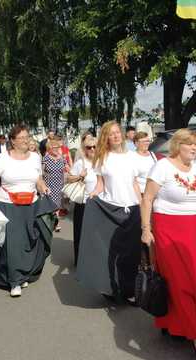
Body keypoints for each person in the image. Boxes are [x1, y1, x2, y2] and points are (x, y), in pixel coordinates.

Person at [140, 128, 196, 359]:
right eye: (189, 143)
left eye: (195, 144)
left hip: (190, 232)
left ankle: (171, 323)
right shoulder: (163, 166)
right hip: (167, 229)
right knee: (182, 284)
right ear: (177, 145)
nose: (194, 147)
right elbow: (147, 198)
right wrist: (146, 229)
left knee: (187, 282)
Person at [0, 125, 56, 297]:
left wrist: (44, 188)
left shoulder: (35, 158)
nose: (26, 140)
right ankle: (14, 281)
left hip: (31, 204)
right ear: (13, 141)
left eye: (27, 136)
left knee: (30, 241)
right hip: (8, 204)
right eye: (21, 137)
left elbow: (38, 179)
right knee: (13, 243)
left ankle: (23, 273)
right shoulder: (4, 158)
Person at [76, 120, 142, 303]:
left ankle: (130, 290)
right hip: (110, 209)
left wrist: (143, 206)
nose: (115, 136)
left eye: (117, 132)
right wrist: (92, 196)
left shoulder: (132, 157)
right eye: (111, 134)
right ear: (106, 137)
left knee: (131, 253)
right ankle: (111, 288)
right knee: (110, 252)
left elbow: (135, 184)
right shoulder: (102, 158)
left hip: (133, 209)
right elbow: (100, 185)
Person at [67, 135, 98, 266]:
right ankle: (80, 260)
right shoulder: (81, 163)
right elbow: (69, 178)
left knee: (97, 234)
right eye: (88, 147)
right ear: (84, 149)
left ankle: (95, 258)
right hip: (84, 203)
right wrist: (80, 176)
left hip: (100, 203)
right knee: (80, 232)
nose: (92, 149)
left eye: (94, 147)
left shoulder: (102, 161)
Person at [42, 135, 68, 232]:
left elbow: (67, 168)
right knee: (50, 206)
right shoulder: (46, 158)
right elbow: (42, 172)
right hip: (49, 185)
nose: (57, 149)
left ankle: (56, 224)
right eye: (54, 148)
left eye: (58, 147)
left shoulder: (61, 158)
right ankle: (50, 222)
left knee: (57, 205)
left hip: (59, 185)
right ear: (49, 149)